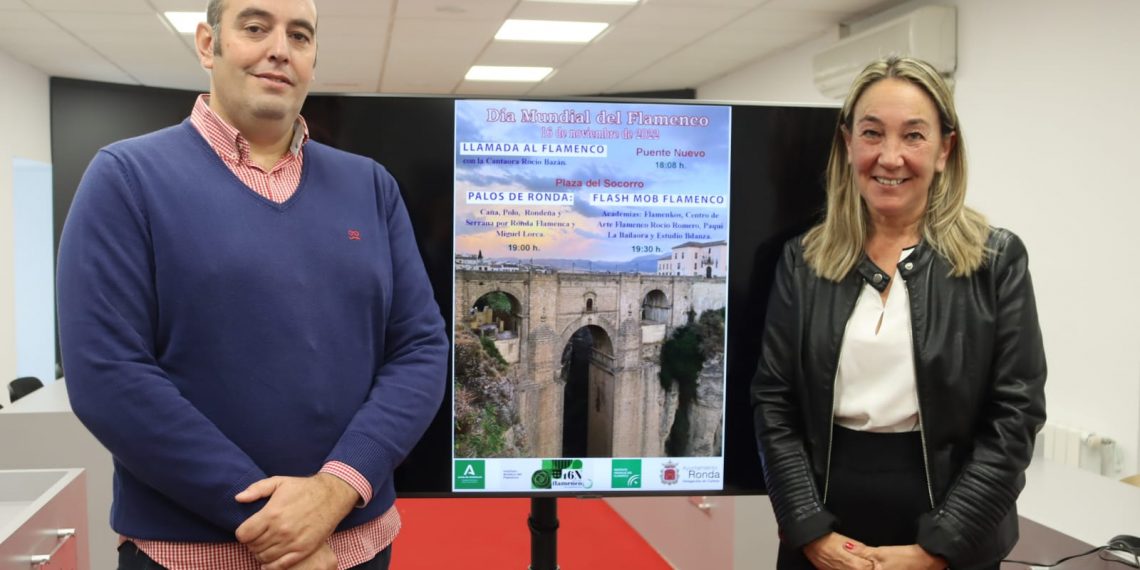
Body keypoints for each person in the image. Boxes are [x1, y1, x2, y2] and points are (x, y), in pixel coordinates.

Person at [55, 0, 449, 568]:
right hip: (191, 554)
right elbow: (108, 375)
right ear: (209, 45)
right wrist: (275, 527)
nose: (279, 50)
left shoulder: (370, 187)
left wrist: (336, 489)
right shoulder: (127, 179)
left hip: (356, 544)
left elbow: (420, 348)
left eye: (300, 35)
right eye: (256, 27)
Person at [751, 56, 1046, 570]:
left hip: (952, 531)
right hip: (824, 529)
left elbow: (1015, 417)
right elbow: (773, 402)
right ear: (847, 145)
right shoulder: (802, 261)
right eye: (872, 133)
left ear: (944, 150)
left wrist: (941, 547)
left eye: (913, 135)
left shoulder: (996, 262)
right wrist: (810, 531)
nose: (890, 157)